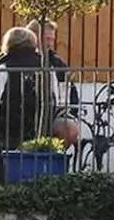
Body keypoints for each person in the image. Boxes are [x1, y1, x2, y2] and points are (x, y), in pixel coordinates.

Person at [0, 26, 45, 183]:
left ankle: (2, 185)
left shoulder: (4, 66)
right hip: (39, 126)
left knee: (0, 149)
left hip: (9, 127)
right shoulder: (45, 65)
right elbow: (53, 95)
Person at [26, 18, 81, 148]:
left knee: (70, 129)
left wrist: (68, 114)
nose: (50, 44)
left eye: (52, 39)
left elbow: (69, 96)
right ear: (34, 38)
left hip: (53, 116)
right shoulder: (19, 60)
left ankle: (53, 159)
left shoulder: (57, 64)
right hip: (23, 116)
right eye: (46, 39)